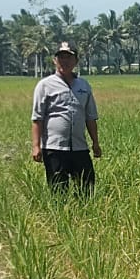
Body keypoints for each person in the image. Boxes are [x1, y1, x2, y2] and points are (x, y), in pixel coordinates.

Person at [31, 42, 101, 193]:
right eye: (61, 57)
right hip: (54, 148)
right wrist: (36, 146)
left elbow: (90, 117)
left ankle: (84, 215)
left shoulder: (83, 86)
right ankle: (60, 216)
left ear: (76, 61)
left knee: (87, 187)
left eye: (69, 57)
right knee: (58, 190)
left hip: (79, 147)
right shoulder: (45, 85)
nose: (65, 61)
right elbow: (37, 118)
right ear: (55, 60)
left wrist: (95, 143)